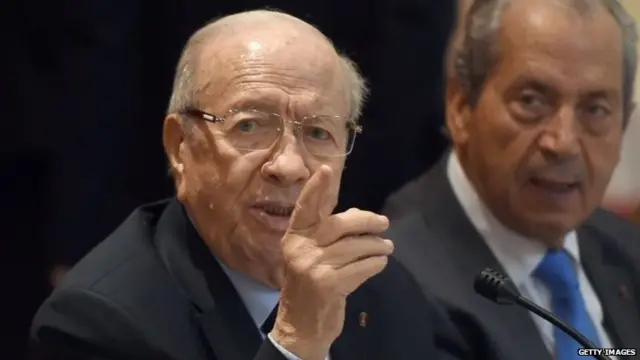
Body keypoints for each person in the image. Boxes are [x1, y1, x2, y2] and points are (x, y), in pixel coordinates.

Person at [30, 10, 471, 360]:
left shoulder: (385, 292)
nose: (289, 166)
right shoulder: (98, 325)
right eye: (251, 127)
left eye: (319, 133)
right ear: (180, 146)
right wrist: (295, 343)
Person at [383, 0, 640, 359]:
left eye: (595, 110)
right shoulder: (391, 283)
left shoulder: (627, 249)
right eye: (532, 101)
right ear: (460, 106)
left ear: (624, 123)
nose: (562, 142)